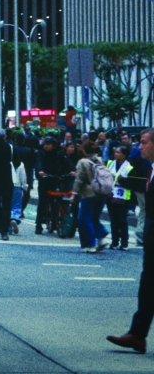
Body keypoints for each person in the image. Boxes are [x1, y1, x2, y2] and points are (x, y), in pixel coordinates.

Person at [107, 128, 154, 353]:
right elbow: (146, 190)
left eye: (143, 142)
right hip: (152, 239)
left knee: (149, 286)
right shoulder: (151, 169)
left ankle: (137, 334)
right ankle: (137, 335)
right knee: (148, 287)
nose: (139, 147)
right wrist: (124, 182)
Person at [74, 141, 110, 254]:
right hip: (101, 192)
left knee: (84, 219)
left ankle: (90, 244)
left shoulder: (83, 162)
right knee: (94, 218)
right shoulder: (100, 160)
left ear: (84, 150)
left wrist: (74, 193)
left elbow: (79, 179)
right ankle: (101, 234)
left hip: (88, 193)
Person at [35, 136, 72, 234]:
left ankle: (60, 218)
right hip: (45, 179)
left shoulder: (59, 153)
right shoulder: (41, 153)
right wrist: (40, 171)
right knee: (42, 201)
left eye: (48, 145)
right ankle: (38, 225)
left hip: (57, 179)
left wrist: (72, 170)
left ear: (53, 145)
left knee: (61, 197)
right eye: (45, 144)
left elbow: (67, 162)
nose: (46, 146)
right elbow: (39, 163)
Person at [108, 145, 134, 251]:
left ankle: (124, 242)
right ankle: (114, 241)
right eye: (115, 152)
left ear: (124, 155)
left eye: (118, 152)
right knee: (113, 220)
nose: (116, 154)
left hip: (123, 197)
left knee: (122, 220)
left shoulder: (129, 167)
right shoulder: (110, 163)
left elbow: (132, 183)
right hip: (110, 195)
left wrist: (121, 180)